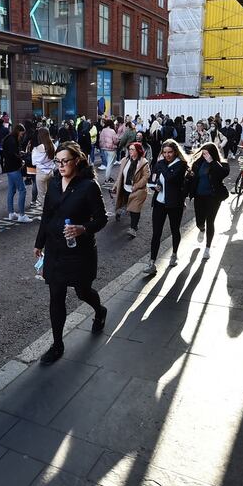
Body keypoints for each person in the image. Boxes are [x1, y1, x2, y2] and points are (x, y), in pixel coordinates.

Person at [34, 142, 108, 365]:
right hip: (56, 250)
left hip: (80, 252)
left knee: (82, 292)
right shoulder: (55, 183)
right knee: (56, 296)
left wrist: (83, 228)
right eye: (58, 161)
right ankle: (57, 345)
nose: (61, 165)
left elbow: (102, 218)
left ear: (77, 160)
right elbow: (47, 215)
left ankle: (100, 309)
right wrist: (39, 243)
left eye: (65, 161)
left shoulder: (88, 186)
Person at [144, 140, 189, 274]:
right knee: (156, 233)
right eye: (164, 152)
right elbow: (152, 178)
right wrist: (155, 185)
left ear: (175, 152)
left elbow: (171, 178)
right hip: (159, 202)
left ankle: (174, 254)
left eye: (170, 152)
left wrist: (161, 163)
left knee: (175, 230)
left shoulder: (181, 164)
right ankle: (152, 263)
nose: (167, 155)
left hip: (175, 204)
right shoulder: (160, 164)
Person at [186, 143, 229, 260]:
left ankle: (208, 248)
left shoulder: (221, 164)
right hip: (199, 196)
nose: (204, 155)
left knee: (210, 221)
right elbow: (191, 178)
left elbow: (223, 174)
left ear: (212, 153)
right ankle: (201, 228)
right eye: (203, 153)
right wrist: (190, 176)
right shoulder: (198, 163)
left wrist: (212, 162)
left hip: (213, 197)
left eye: (207, 153)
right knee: (199, 220)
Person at [113, 142, 150, 237]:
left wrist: (136, 186)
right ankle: (120, 212)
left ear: (138, 151)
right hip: (125, 188)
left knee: (135, 209)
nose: (130, 151)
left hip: (137, 190)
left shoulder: (143, 162)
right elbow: (120, 175)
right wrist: (116, 185)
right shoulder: (125, 160)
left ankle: (133, 228)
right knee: (126, 205)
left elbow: (146, 177)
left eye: (132, 149)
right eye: (129, 149)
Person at [0, 123, 33, 223]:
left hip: (9, 168)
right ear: (18, 131)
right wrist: (21, 160)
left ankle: (11, 213)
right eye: (22, 134)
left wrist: (19, 154)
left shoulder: (8, 138)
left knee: (12, 190)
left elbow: (10, 153)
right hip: (14, 168)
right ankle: (22, 215)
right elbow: (14, 154)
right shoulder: (12, 140)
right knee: (22, 190)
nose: (22, 136)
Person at [32, 127, 56, 209]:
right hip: (50, 172)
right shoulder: (52, 145)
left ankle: (45, 214)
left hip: (41, 173)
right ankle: (52, 212)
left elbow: (34, 162)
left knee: (42, 195)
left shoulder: (38, 148)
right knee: (50, 193)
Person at [99, 120, 118, 185]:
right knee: (109, 165)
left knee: (108, 164)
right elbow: (115, 141)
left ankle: (108, 178)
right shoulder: (112, 131)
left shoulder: (103, 130)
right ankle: (107, 180)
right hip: (111, 149)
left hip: (104, 149)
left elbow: (100, 140)